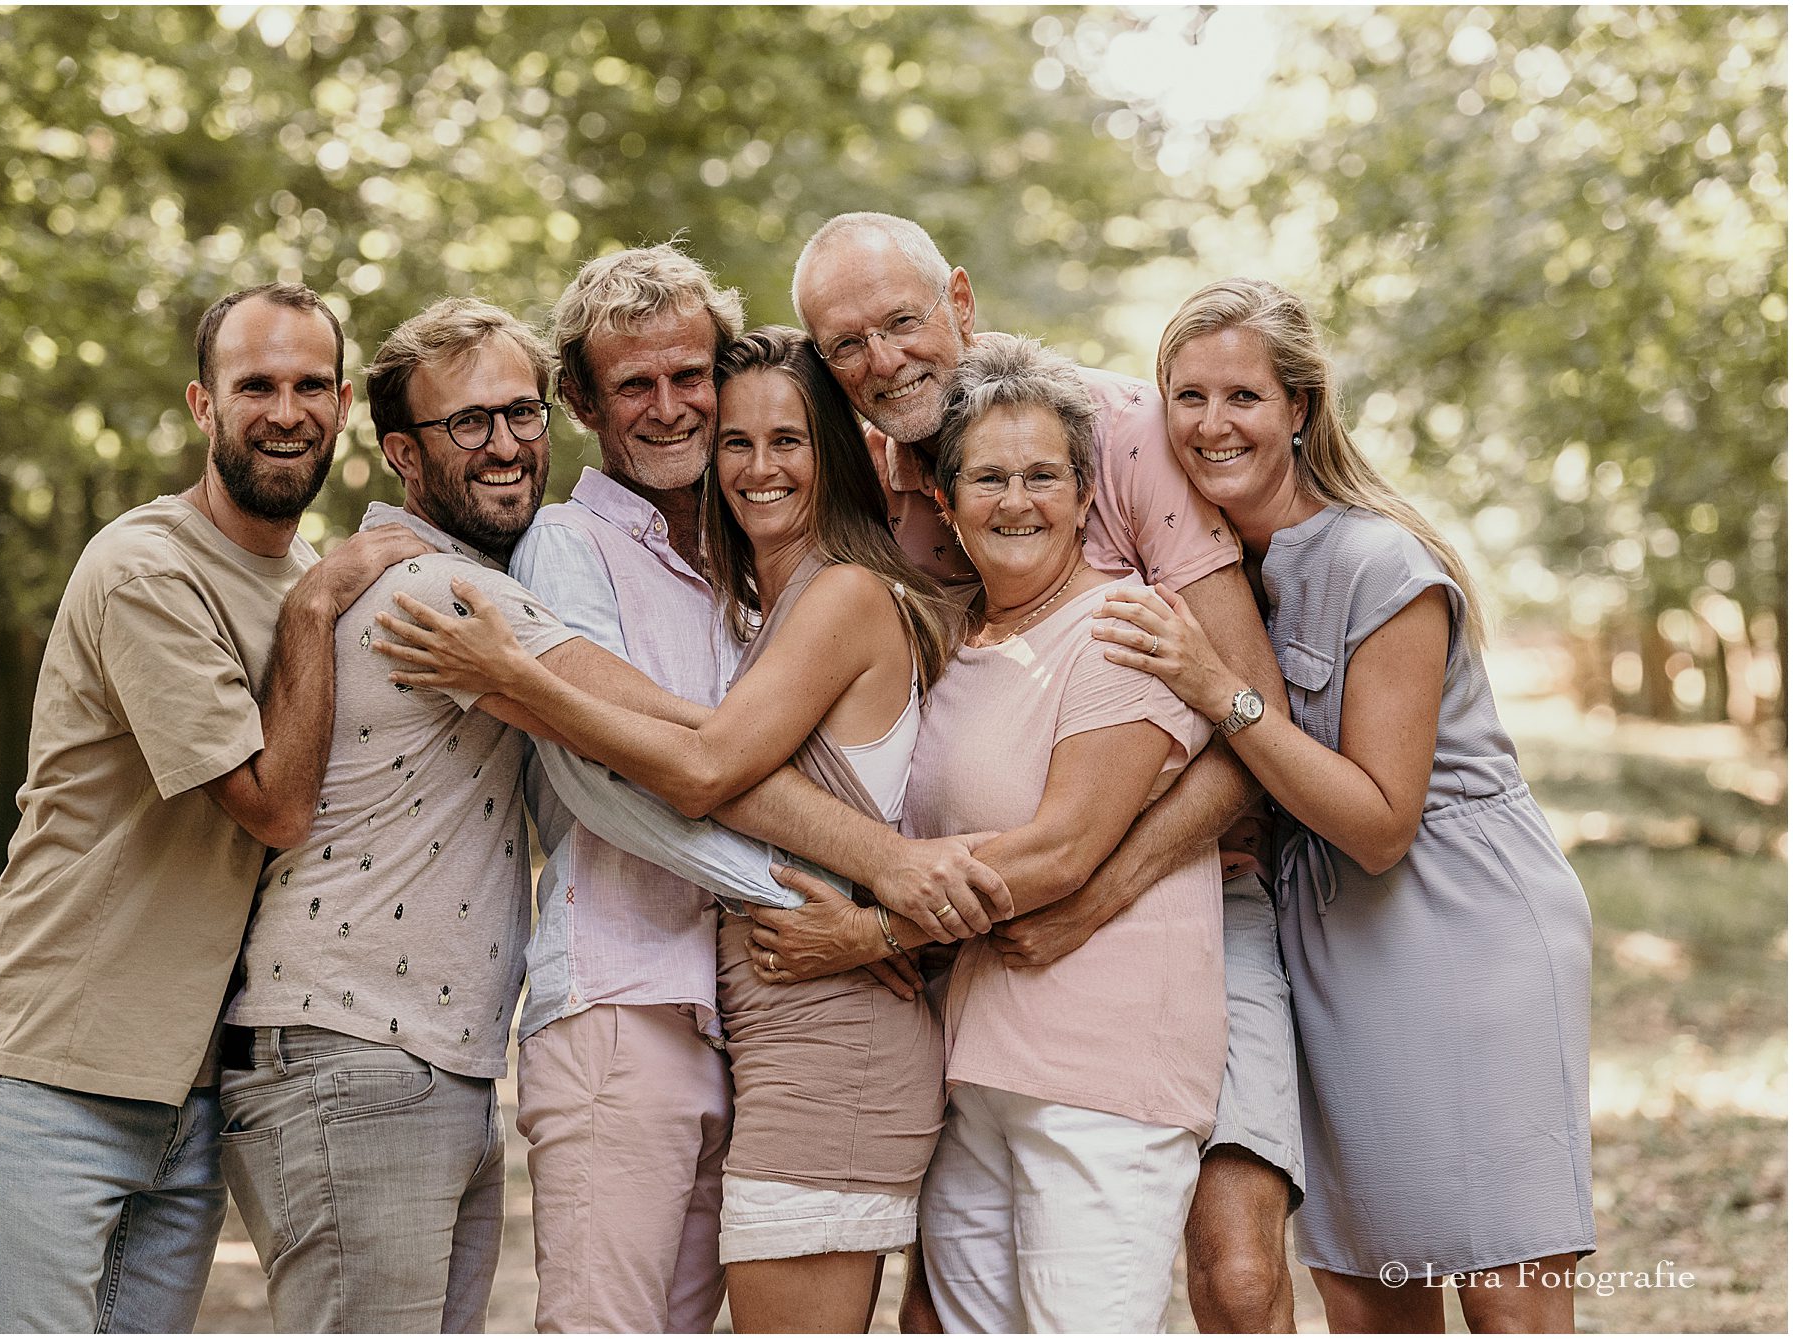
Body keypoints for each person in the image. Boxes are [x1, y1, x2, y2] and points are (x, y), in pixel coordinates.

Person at [372, 245, 1008, 1334]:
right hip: (626, 1002)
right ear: (578, 398)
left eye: (689, 377)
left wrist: (870, 921)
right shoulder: (570, 546)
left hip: (741, 1018)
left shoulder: (743, 571)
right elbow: (599, 775)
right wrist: (805, 893)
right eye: (633, 384)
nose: (670, 409)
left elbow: (741, 764)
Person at [793, 212, 1302, 1330]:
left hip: (1148, 971)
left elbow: (1242, 731)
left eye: (899, 321)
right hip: (987, 1026)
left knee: (1228, 1274)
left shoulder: (1121, 465)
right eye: (844, 343)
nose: (879, 359)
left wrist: (1075, 893)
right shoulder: (893, 509)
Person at [1094, 277, 1595, 1332]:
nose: (1211, 424)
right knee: (1366, 1295)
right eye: (1185, 397)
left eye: (1241, 396)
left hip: (1457, 931)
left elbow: (1376, 824)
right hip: (1323, 947)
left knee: (1505, 1294)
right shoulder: (1225, 567)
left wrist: (1215, 690)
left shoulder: (1381, 564)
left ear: (1298, 409)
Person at [0, 282, 427, 1333]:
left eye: (308, 386)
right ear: (205, 408)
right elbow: (272, 808)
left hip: (193, 1097)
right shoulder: (146, 571)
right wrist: (313, 610)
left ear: (343, 404)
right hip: (54, 1076)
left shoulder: (309, 573)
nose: (285, 411)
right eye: (255, 385)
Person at [214, 297, 583, 1331]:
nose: (505, 443)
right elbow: (688, 744)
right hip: (355, 1054)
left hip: (420, 1059)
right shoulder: (436, 594)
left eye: (522, 412)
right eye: (468, 422)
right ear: (402, 457)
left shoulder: (438, 577)